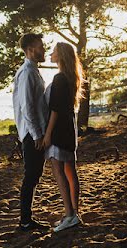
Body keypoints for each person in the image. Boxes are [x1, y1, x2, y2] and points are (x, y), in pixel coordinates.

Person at [42, 41, 85, 232]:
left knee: (59, 171)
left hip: (59, 130)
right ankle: (74, 213)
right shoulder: (71, 78)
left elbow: (55, 110)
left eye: (54, 52)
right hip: (69, 129)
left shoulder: (60, 78)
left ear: (61, 56)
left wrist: (48, 134)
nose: (51, 54)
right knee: (71, 172)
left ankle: (69, 215)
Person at [12, 32, 47, 231]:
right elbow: (27, 107)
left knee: (34, 175)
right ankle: (25, 220)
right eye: (40, 46)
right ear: (31, 49)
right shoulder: (26, 72)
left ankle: (27, 219)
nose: (43, 50)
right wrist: (37, 135)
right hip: (30, 135)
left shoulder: (33, 71)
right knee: (31, 176)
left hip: (34, 133)